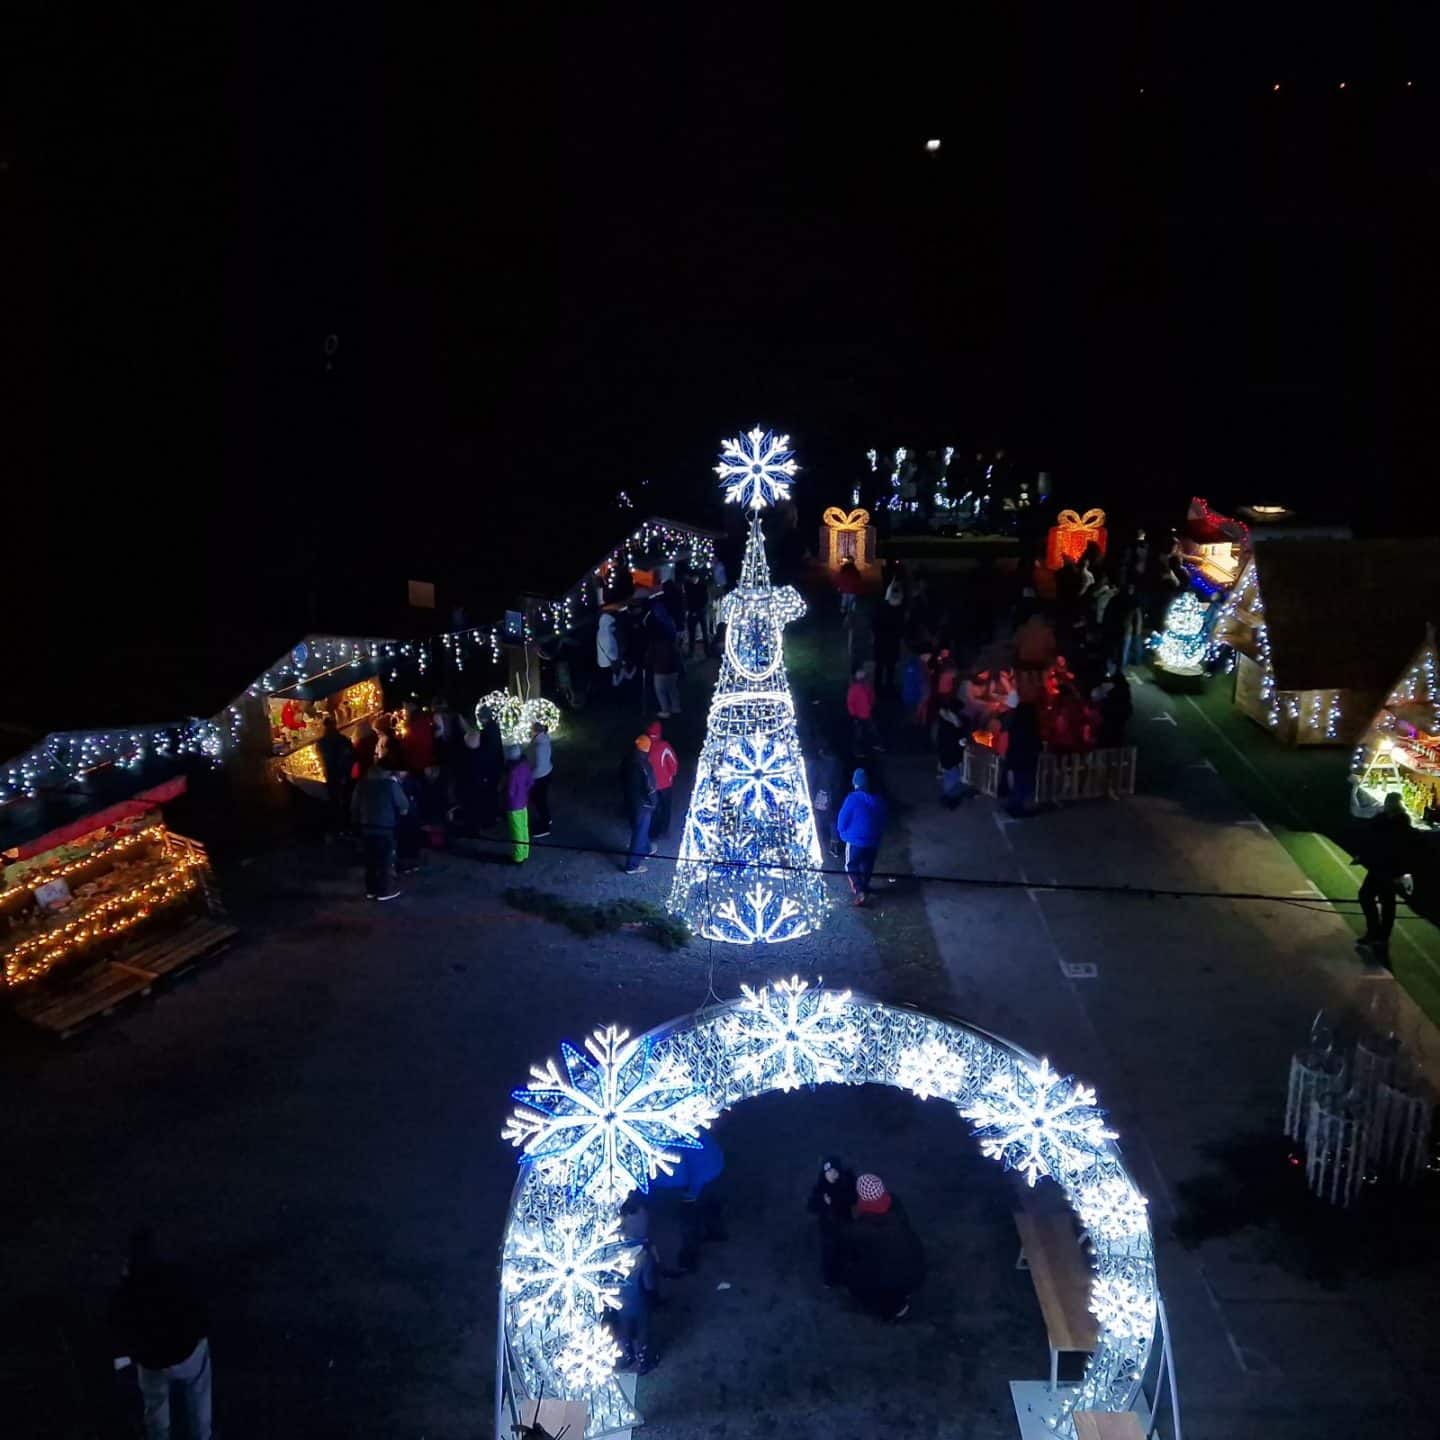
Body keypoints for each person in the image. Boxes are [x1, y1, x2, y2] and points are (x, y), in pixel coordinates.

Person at [110, 1228, 212, 1440]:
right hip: (185, 1351)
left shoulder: (128, 1288)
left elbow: (119, 1325)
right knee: (198, 1392)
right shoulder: (175, 1275)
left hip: (151, 1359)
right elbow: (197, 1310)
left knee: (155, 1404)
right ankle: (202, 1435)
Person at [838, 1173, 925, 1320]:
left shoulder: (860, 1229)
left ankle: (890, 1307)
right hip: (915, 1269)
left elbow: (851, 1251)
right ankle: (901, 1296)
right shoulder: (896, 1206)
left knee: (853, 1270)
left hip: (891, 1281)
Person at [1350, 792, 1417, 963]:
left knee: (1382, 901)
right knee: (1372, 898)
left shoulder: (1400, 823)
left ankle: (1378, 935)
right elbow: (1372, 838)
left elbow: (1399, 848)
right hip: (1381, 867)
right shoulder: (1385, 819)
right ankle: (1376, 933)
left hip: (1389, 869)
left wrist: (1401, 872)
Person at [649, 1130, 726, 1271]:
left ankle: (691, 1257)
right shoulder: (687, 1126)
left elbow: (698, 1163)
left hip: (697, 1181)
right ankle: (715, 1232)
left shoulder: (683, 1136)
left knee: (690, 1220)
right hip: (710, 1171)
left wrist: (692, 1194)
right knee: (710, 1205)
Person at [351, 746, 408, 899]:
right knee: (384, 859)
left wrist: (357, 822)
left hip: (366, 826)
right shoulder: (390, 784)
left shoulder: (362, 783)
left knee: (369, 860)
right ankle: (384, 891)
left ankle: (370, 890)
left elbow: (354, 806)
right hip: (385, 827)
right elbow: (404, 805)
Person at [612, 1194, 660, 1374]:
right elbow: (648, 1284)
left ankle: (626, 1354)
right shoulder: (643, 1257)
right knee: (643, 1329)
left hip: (618, 1299)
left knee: (624, 1326)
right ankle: (642, 1360)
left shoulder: (613, 1252)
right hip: (638, 1301)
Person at [836, 769, 886, 906]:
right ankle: (865, 886)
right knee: (867, 865)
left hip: (855, 841)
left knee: (851, 865)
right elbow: (883, 819)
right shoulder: (879, 800)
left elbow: (842, 820)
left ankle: (859, 891)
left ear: (855, 783)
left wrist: (842, 833)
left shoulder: (852, 799)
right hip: (873, 841)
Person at [807, 1156, 858, 1286]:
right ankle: (830, 1279)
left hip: (845, 1222)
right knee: (829, 1253)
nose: (832, 1175)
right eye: (828, 1172)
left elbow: (854, 1198)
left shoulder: (845, 1181)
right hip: (828, 1228)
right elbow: (811, 1206)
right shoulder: (820, 1187)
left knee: (847, 1247)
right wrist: (824, 1202)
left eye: (834, 1171)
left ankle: (850, 1268)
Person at [623, 734, 658, 873]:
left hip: (631, 800)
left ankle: (646, 848)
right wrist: (654, 803)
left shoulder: (628, 759)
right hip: (643, 805)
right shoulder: (644, 765)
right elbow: (650, 788)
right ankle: (632, 865)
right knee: (639, 832)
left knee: (639, 828)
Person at [315, 714, 355, 836]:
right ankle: (346, 826)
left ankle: (336, 827)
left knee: (334, 801)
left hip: (332, 775)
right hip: (344, 775)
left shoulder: (322, 743)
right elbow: (352, 756)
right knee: (345, 800)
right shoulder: (344, 740)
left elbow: (321, 758)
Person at [1004, 696, 1042, 817]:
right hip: (1026, 762)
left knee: (1017, 785)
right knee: (1023, 786)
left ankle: (1013, 806)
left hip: (1015, 760)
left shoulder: (1014, 725)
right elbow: (1037, 746)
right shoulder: (1031, 729)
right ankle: (1018, 809)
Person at [644, 721, 680, 841]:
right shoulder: (664, 746)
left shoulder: (644, 745)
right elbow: (673, 763)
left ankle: (652, 833)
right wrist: (671, 775)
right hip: (665, 784)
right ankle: (663, 830)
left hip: (650, 784)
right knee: (665, 807)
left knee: (653, 808)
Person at [647, 601, 683, 718]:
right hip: (673, 666)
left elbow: (651, 654)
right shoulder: (670, 623)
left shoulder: (655, 641)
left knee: (661, 690)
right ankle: (676, 707)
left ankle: (665, 710)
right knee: (673, 688)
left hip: (660, 668)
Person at [810, 736, 843, 859]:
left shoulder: (819, 763)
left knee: (819, 817)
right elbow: (840, 780)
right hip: (834, 795)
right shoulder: (837, 762)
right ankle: (834, 844)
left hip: (821, 795)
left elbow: (814, 780)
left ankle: (821, 841)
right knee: (833, 819)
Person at [503, 745, 534, 863]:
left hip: (513, 805)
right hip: (523, 802)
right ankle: (525, 851)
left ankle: (518, 856)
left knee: (516, 831)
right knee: (524, 827)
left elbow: (510, 791)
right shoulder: (525, 766)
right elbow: (530, 782)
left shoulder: (512, 772)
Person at [936, 704, 967, 807]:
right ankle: (950, 799)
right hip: (952, 758)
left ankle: (947, 797)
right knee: (953, 778)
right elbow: (959, 743)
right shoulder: (952, 728)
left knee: (949, 778)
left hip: (945, 757)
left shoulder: (943, 725)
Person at [846, 666, 882, 754]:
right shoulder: (854, 688)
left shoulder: (866, 687)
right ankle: (857, 750)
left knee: (871, 731)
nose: (863, 679)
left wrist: (871, 706)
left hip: (866, 714)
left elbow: (872, 697)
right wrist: (853, 715)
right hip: (859, 715)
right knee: (859, 734)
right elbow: (850, 703)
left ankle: (875, 745)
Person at [527, 721, 553, 839]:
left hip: (540, 777)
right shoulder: (543, 738)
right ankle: (547, 819)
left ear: (536, 731)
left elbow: (538, 765)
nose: (530, 732)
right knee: (540, 799)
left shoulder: (539, 747)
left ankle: (545, 828)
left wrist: (529, 777)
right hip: (546, 773)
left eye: (531, 730)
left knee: (539, 800)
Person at [683, 568, 711, 656]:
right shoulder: (688, 585)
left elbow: (705, 599)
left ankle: (707, 651)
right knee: (692, 633)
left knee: (705, 632)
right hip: (692, 611)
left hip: (700, 611)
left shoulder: (702, 585)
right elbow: (688, 598)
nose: (693, 579)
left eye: (694, 578)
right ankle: (691, 651)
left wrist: (698, 609)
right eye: (692, 578)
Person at [596, 607, 623, 689]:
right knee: (613, 684)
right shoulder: (606, 635)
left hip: (606, 663)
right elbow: (609, 651)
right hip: (607, 664)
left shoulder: (601, 630)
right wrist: (616, 657)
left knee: (611, 685)